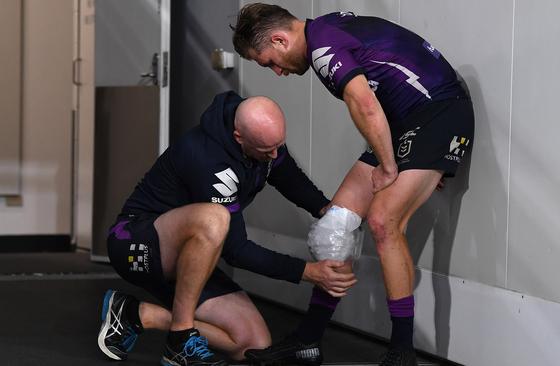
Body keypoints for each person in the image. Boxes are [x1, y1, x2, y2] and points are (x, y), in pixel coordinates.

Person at [232, 4, 475, 366]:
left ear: (280, 39)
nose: (278, 72)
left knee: (382, 221)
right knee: (335, 227)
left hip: (439, 111)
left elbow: (366, 106)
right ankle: (308, 340)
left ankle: (402, 351)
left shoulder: (322, 51)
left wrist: (393, 166)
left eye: (269, 62)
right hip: (406, 121)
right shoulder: (322, 28)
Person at [97, 91, 357, 366]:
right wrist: (308, 272)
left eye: (278, 145)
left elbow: (288, 177)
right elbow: (236, 250)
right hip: (136, 246)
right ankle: (180, 342)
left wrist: (328, 211)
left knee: (252, 343)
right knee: (215, 218)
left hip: (189, 255)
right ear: (238, 137)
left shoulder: (264, 141)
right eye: (267, 149)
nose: (275, 154)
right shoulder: (208, 159)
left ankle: (136, 314)